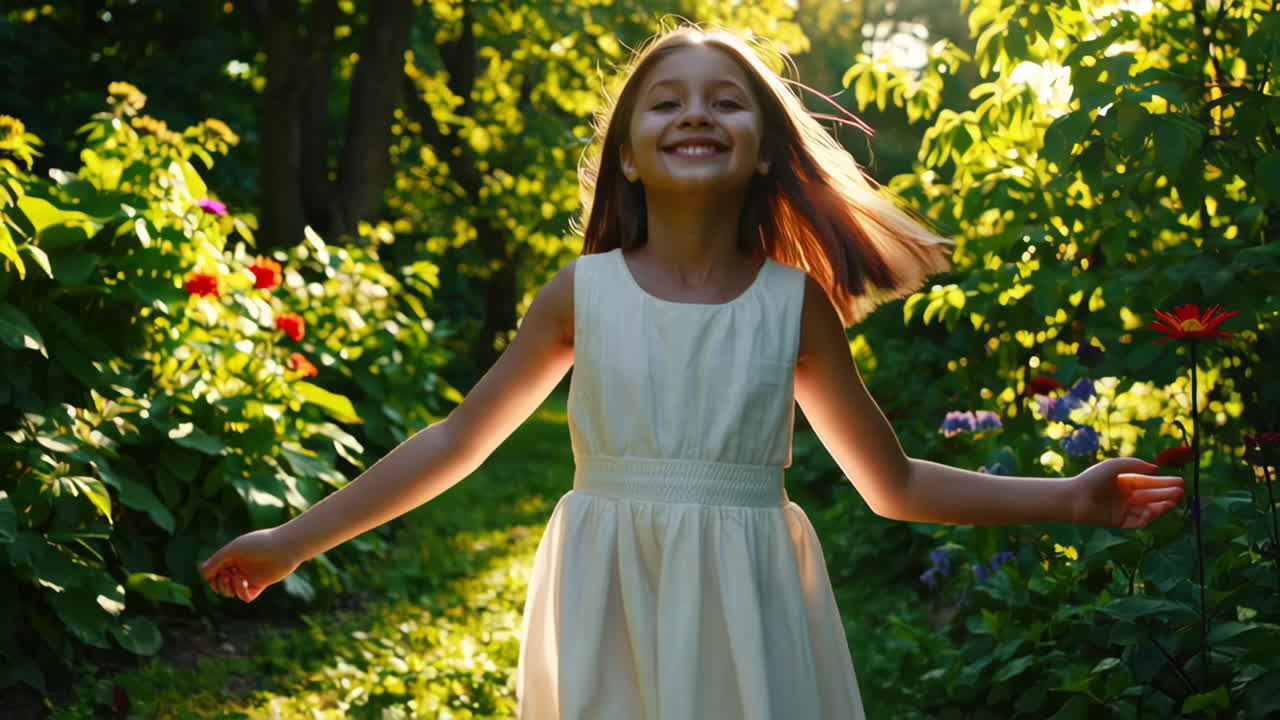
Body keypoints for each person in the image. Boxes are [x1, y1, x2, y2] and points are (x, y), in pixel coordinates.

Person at [201, 23, 1186, 719]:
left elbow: (890, 486)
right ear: (626, 155)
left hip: (748, 603)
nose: (693, 114)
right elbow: (459, 444)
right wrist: (295, 538)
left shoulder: (789, 305)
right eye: (664, 102)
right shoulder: (579, 294)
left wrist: (1069, 498)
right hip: (605, 594)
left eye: (726, 102)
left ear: (764, 150)